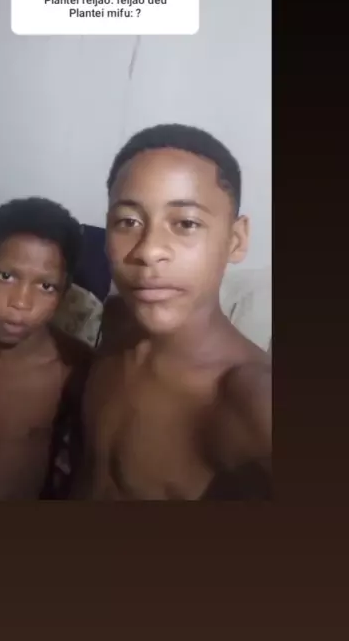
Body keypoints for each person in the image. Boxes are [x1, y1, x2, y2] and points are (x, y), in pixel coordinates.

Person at [70, 124, 271, 500]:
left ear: (236, 239)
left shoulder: (252, 398)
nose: (148, 250)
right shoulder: (115, 321)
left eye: (186, 223)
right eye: (128, 222)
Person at [0, 197, 94, 501]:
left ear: (64, 292)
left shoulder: (72, 367)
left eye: (46, 286)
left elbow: (83, 464)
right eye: (7, 276)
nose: (20, 302)